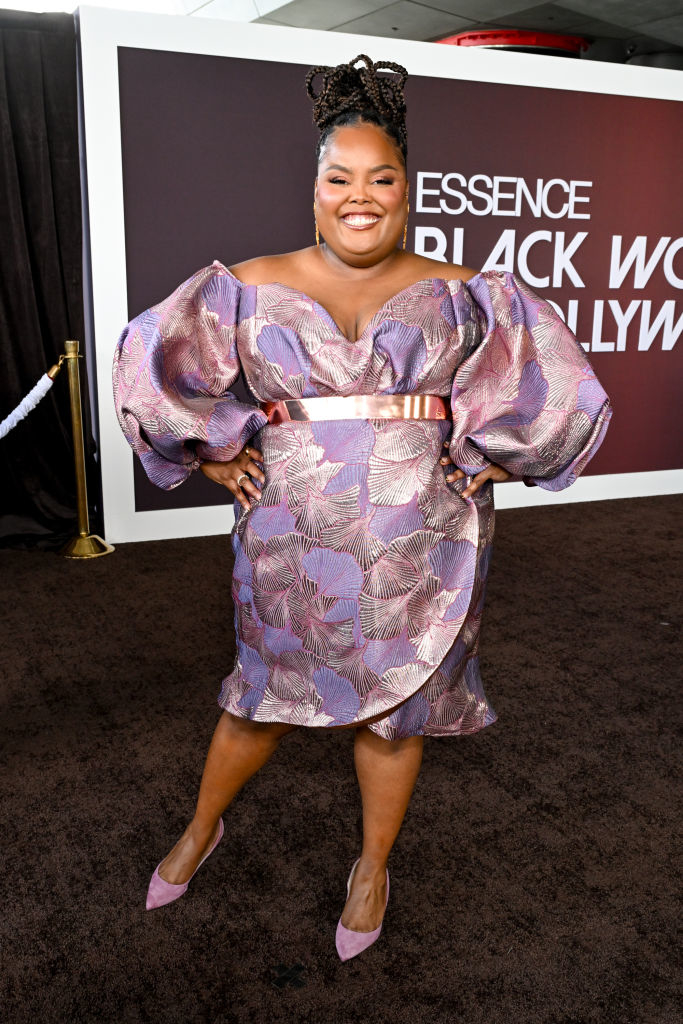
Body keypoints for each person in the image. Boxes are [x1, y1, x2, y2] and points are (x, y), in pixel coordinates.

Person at [112, 54, 612, 961]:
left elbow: (557, 387)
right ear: (313, 190)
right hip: (288, 541)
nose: (359, 196)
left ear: (406, 187)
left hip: (425, 539)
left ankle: (372, 865)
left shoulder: (468, 291)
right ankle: (201, 828)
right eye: (338, 177)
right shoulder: (244, 282)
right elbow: (153, 368)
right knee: (258, 700)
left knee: (397, 711)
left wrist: (495, 463)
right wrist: (215, 453)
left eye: (381, 178)